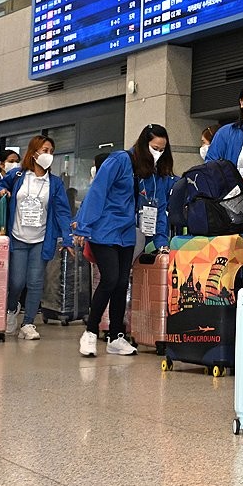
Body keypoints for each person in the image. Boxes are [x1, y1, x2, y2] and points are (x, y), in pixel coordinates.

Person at [73, 124, 173, 357]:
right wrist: (84, 225)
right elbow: (98, 190)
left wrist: (161, 241)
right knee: (109, 279)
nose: (157, 152)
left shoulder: (156, 176)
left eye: (162, 149)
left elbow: (157, 209)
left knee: (120, 283)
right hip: (104, 230)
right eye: (154, 147)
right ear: (142, 143)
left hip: (128, 234)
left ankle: (116, 336)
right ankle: (89, 333)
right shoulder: (120, 160)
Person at [0, 135, 73, 341]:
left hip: (41, 239)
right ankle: (12, 309)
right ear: (33, 153)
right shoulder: (18, 175)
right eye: (44, 150)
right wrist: (2, 190)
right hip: (17, 237)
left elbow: (62, 212)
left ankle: (29, 322)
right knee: (16, 281)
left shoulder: (55, 183)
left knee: (35, 282)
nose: (48, 155)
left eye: (51, 151)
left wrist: (68, 238)